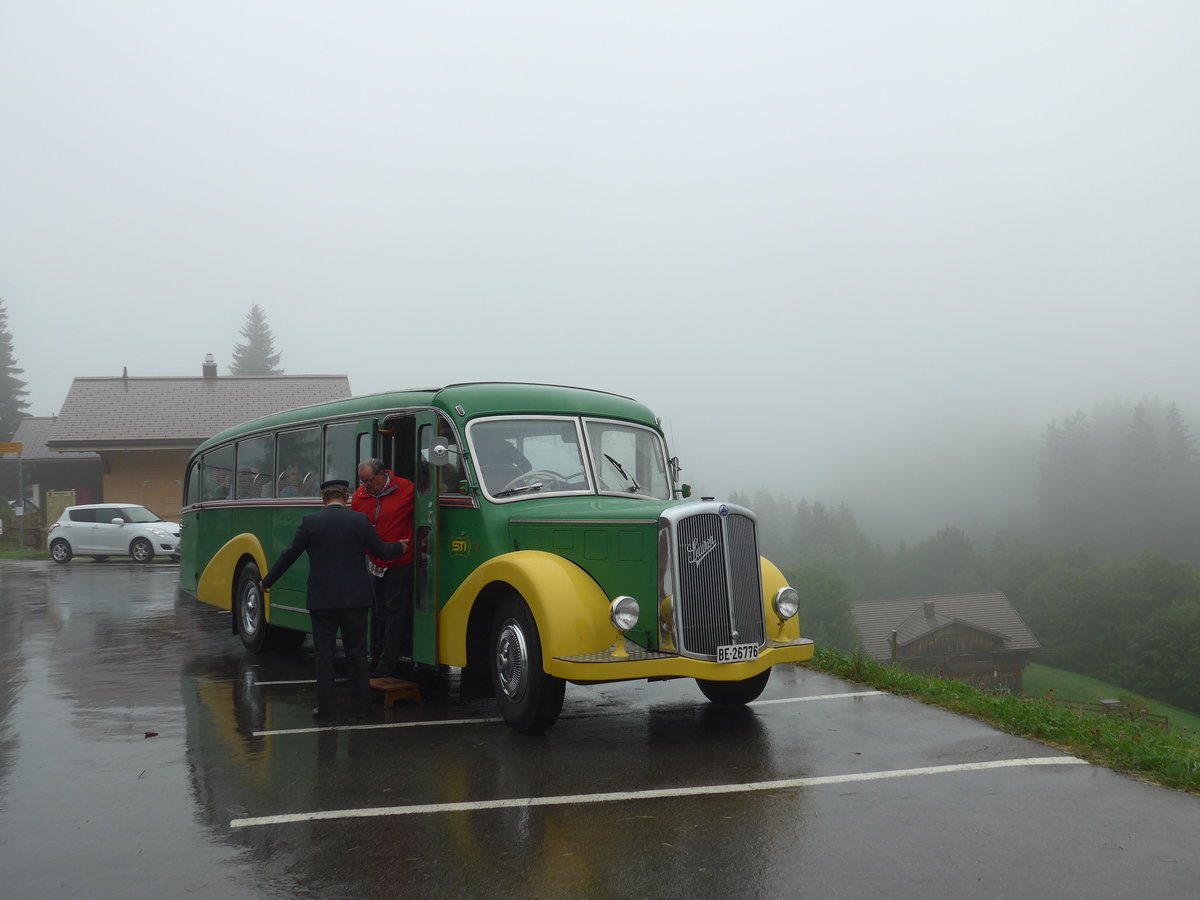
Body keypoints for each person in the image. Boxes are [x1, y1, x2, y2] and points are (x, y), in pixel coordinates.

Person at [260, 479, 407, 724]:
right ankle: (361, 708)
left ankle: (326, 710)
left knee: (325, 655)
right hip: (356, 599)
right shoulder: (359, 521)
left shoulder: (311, 523)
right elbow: (380, 551)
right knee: (357, 654)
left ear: (323, 499)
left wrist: (267, 581)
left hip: (322, 600)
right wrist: (400, 548)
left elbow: (289, 555)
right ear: (346, 496)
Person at [351, 457, 415, 677]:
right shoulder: (360, 496)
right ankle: (376, 653)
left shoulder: (406, 489)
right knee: (379, 611)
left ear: (381, 475)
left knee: (395, 611)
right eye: (362, 482)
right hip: (374, 562)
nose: (365, 487)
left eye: (369, 481)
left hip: (400, 561)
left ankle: (388, 663)